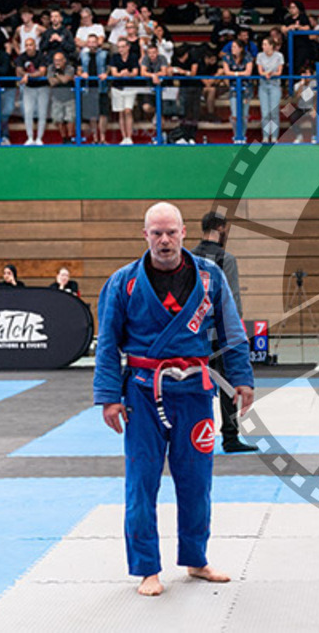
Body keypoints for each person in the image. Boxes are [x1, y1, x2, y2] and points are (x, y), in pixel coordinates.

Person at [95, 202, 254, 597]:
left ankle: (196, 559)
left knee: (197, 480)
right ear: (145, 235)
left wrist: (241, 379)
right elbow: (108, 344)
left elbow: (232, 331)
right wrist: (109, 397)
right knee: (141, 482)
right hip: (142, 393)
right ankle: (147, 569)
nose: (164, 240)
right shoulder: (123, 282)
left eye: (171, 232)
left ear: (184, 233)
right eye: (156, 233)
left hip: (195, 392)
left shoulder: (210, 276)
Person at [189, 212, 257, 454]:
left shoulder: (189, 259)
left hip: (195, 333)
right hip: (220, 334)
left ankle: (193, 435)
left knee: (195, 384)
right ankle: (230, 437)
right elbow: (232, 303)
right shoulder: (226, 259)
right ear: (220, 229)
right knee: (229, 386)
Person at [79, 33, 109, 145]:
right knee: (92, 115)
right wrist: (82, 73)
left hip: (102, 87)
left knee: (103, 114)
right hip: (89, 88)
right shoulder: (82, 55)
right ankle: (95, 138)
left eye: (94, 42)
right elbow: (79, 69)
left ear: (97, 43)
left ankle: (103, 138)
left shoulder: (105, 54)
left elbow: (109, 67)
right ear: (87, 43)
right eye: (89, 42)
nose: (91, 44)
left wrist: (106, 74)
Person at [109, 38, 140, 144]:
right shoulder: (115, 57)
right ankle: (124, 137)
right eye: (119, 47)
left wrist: (128, 74)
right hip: (117, 88)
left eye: (122, 47)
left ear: (128, 47)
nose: (120, 49)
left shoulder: (133, 57)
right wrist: (121, 74)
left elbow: (135, 72)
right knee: (121, 112)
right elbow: (114, 73)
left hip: (130, 88)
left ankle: (129, 137)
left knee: (128, 111)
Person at [222, 41, 252, 143]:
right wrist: (239, 74)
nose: (232, 49)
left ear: (241, 48)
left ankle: (242, 136)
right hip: (233, 89)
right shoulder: (227, 57)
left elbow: (248, 73)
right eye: (232, 47)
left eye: (235, 47)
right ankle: (236, 136)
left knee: (244, 115)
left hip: (246, 89)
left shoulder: (247, 56)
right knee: (234, 115)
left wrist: (234, 73)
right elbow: (227, 73)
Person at [256, 38, 285, 143]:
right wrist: (265, 74)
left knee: (274, 112)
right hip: (263, 85)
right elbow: (260, 71)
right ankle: (265, 136)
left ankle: (274, 137)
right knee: (265, 113)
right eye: (263, 44)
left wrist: (271, 74)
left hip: (275, 85)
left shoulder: (279, 56)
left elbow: (279, 72)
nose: (263, 46)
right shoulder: (260, 56)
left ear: (271, 46)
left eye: (265, 44)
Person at [47, 51, 76, 144]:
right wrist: (61, 77)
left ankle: (70, 137)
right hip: (57, 97)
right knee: (58, 119)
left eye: (59, 60)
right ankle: (64, 138)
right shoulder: (51, 68)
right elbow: (51, 82)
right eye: (55, 60)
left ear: (64, 60)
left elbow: (65, 80)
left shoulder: (70, 68)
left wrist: (56, 76)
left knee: (70, 119)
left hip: (69, 97)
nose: (57, 63)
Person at [281, 1, 313, 76]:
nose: (292, 9)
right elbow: (283, 29)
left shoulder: (303, 17)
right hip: (290, 44)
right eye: (290, 8)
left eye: (294, 7)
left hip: (302, 45)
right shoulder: (288, 19)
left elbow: (308, 28)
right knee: (290, 63)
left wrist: (299, 27)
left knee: (299, 63)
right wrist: (290, 27)